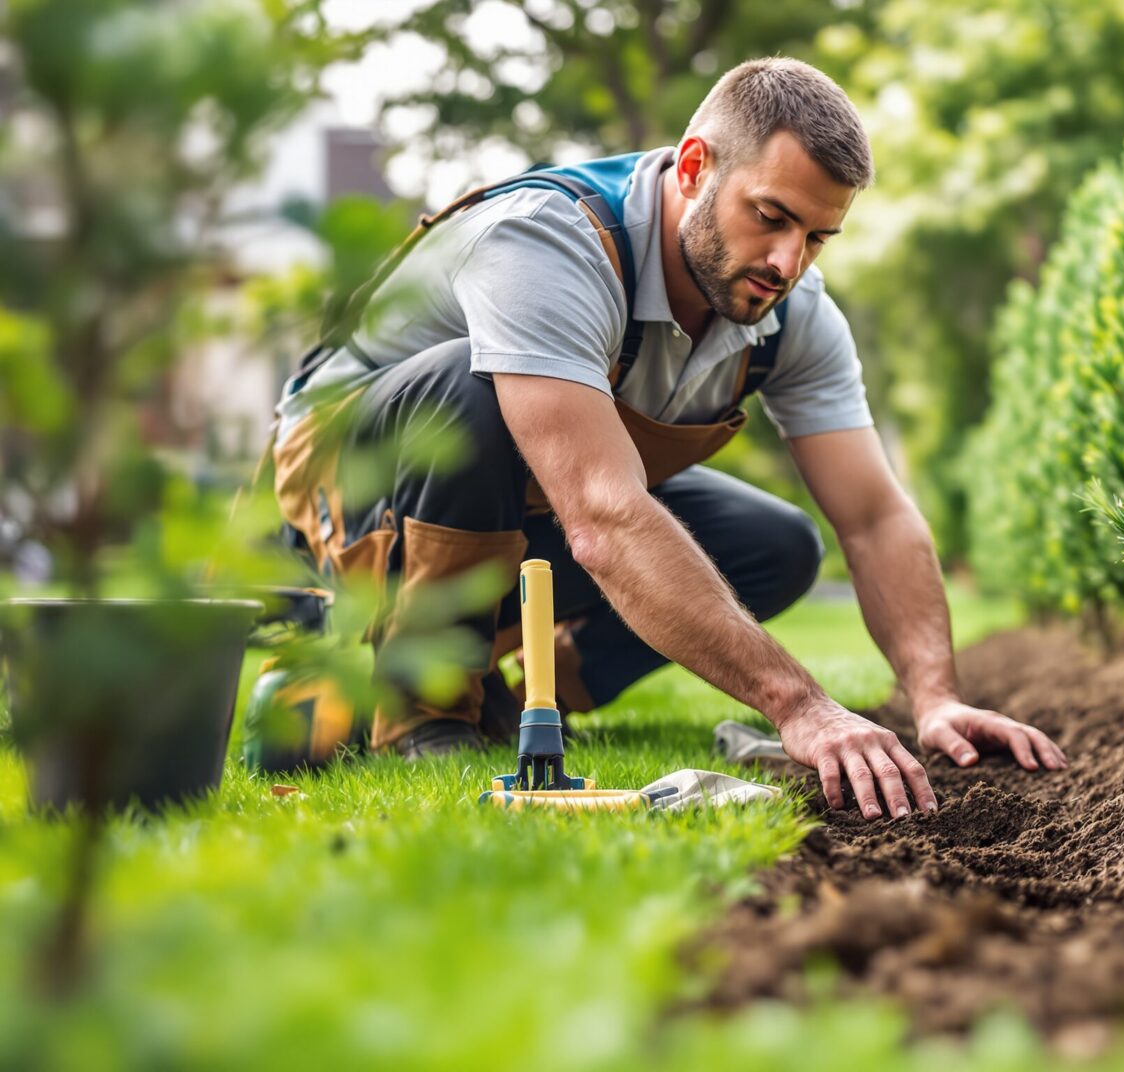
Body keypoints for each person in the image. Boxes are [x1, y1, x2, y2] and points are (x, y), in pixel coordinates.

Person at [267, 58, 1065, 821]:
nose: (790, 261)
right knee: (469, 387)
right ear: (693, 168)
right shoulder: (550, 242)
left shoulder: (794, 312)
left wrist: (935, 697)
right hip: (346, 486)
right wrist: (800, 705)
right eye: (772, 216)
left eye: (819, 237)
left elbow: (875, 517)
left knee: (775, 545)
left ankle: (518, 687)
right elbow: (604, 516)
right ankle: (420, 710)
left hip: (522, 493)